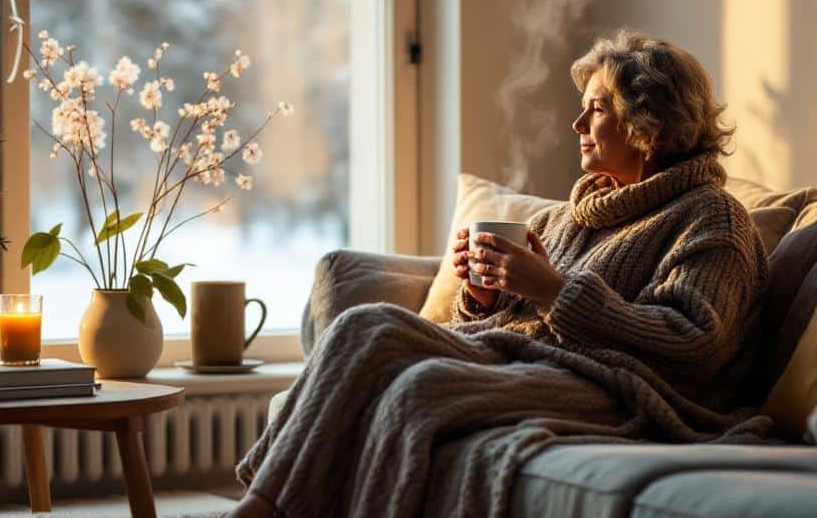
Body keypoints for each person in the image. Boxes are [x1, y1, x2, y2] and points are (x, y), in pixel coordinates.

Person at [228, 29, 770, 518]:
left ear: (648, 122)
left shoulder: (710, 216)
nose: (577, 125)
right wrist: (482, 298)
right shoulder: (563, 218)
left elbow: (695, 342)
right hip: (528, 361)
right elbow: (515, 317)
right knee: (362, 325)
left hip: (627, 390)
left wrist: (554, 291)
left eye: (596, 110)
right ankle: (262, 499)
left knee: (422, 388)